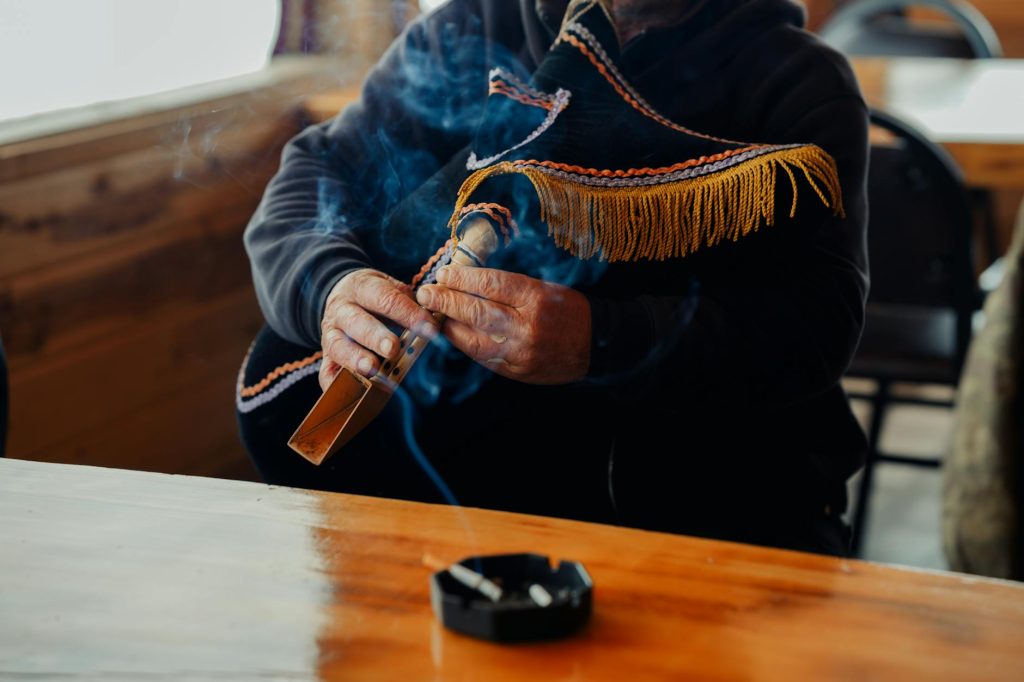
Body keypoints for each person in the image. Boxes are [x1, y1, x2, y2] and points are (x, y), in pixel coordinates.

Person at [239, 0, 869, 556]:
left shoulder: (796, 78)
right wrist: (329, 288)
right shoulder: (466, 28)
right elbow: (317, 177)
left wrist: (599, 340)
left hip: (715, 503)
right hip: (465, 494)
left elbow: (817, 324)